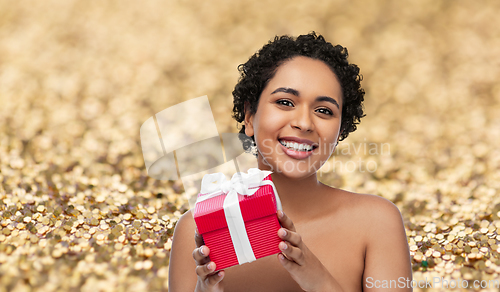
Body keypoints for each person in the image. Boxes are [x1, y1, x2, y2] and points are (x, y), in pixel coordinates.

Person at [168, 32, 412, 291]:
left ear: (340, 130)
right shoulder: (197, 229)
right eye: (285, 102)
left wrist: (318, 279)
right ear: (249, 116)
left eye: (324, 111)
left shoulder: (376, 222)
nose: (304, 123)